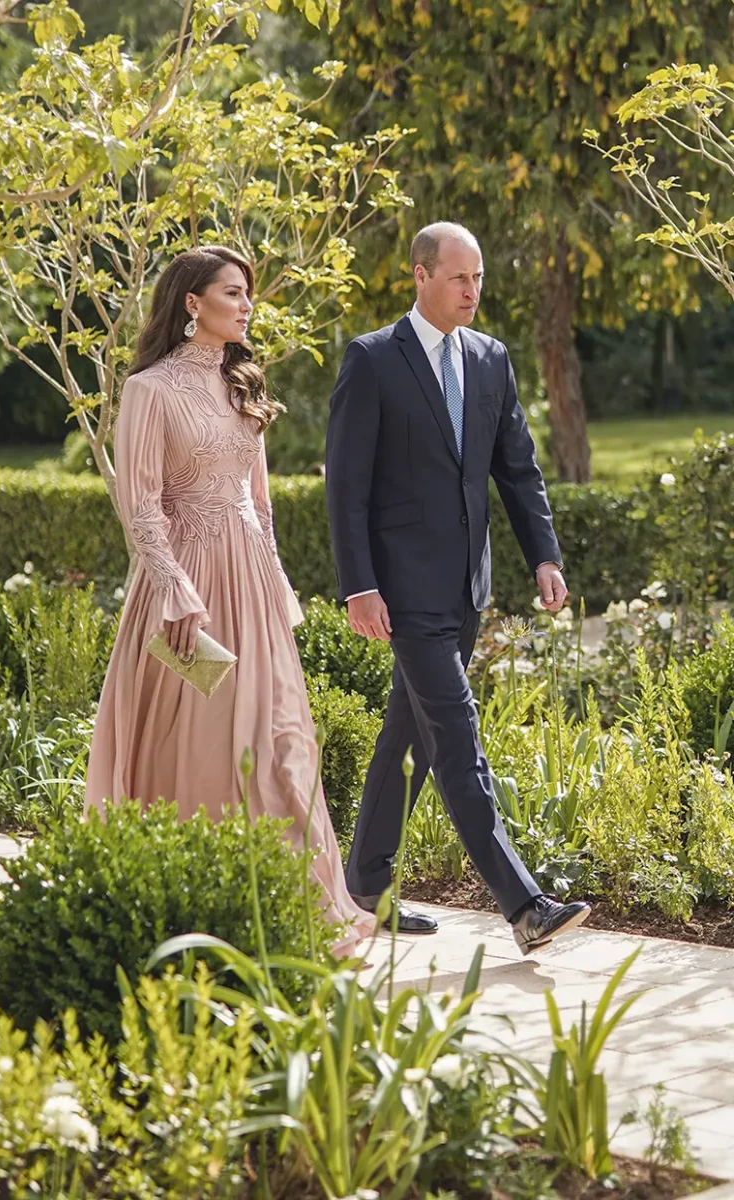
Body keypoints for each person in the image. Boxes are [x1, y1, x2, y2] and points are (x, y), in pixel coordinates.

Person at [85, 245, 373, 956]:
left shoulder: (246, 381)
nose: (247, 305)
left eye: (248, 294)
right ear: (192, 304)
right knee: (204, 746)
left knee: (280, 743)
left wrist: (276, 585)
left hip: (251, 587)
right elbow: (140, 503)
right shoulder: (149, 391)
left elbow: (261, 502)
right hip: (189, 592)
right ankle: (197, 907)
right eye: (233, 293)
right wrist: (174, 590)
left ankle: (294, 909)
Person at [325, 221, 590, 956]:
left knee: (405, 734)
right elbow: (346, 488)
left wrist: (544, 555)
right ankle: (525, 905)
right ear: (420, 275)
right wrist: (359, 587)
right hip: (402, 592)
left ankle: (365, 886)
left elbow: (518, 469)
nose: (472, 291)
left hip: (466, 587)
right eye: (458, 278)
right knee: (456, 737)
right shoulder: (373, 361)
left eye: (478, 279)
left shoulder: (492, 359)